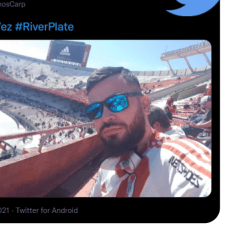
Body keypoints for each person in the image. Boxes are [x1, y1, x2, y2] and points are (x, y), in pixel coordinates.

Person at [85, 67, 211, 197]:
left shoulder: (175, 156)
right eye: (94, 110)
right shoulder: (107, 163)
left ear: (145, 105)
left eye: (117, 102)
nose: (105, 117)